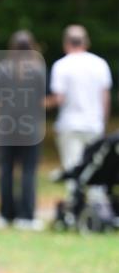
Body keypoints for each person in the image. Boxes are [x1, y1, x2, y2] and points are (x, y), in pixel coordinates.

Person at [0, 30, 46, 230]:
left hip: (7, 127)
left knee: (6, 170)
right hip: (30, 128)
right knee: (28, 171)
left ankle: (6, 215)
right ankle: (26, 216)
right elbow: (43, 100)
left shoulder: (2, 68)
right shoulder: (38, 69)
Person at [46, 25, 113, 172]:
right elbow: (105, 98)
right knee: (95, 171)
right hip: (94, 124)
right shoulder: (100, 64)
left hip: (69, 125)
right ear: (86, 42)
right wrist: (103, 123)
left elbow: (59, 98)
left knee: (72, 171)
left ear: (66, 43)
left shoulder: (61, 65)